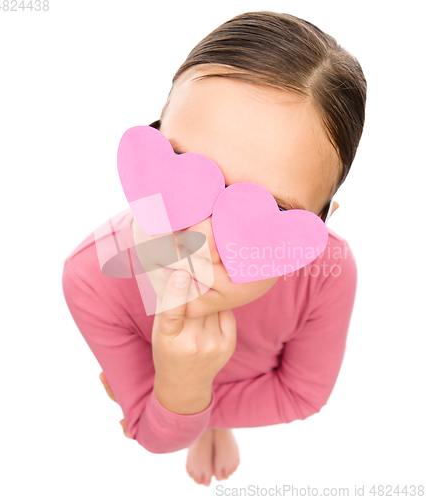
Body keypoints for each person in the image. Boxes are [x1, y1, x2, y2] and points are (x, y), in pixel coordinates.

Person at [62, 11, 366, 487]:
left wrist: (185, 396)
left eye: (269, 209)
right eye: (181, 164)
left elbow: (302, 394)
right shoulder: (93, 277)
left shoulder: (327, 271)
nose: (197, 238)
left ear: (322, 224)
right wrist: (181, 392)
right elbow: (155, 439)